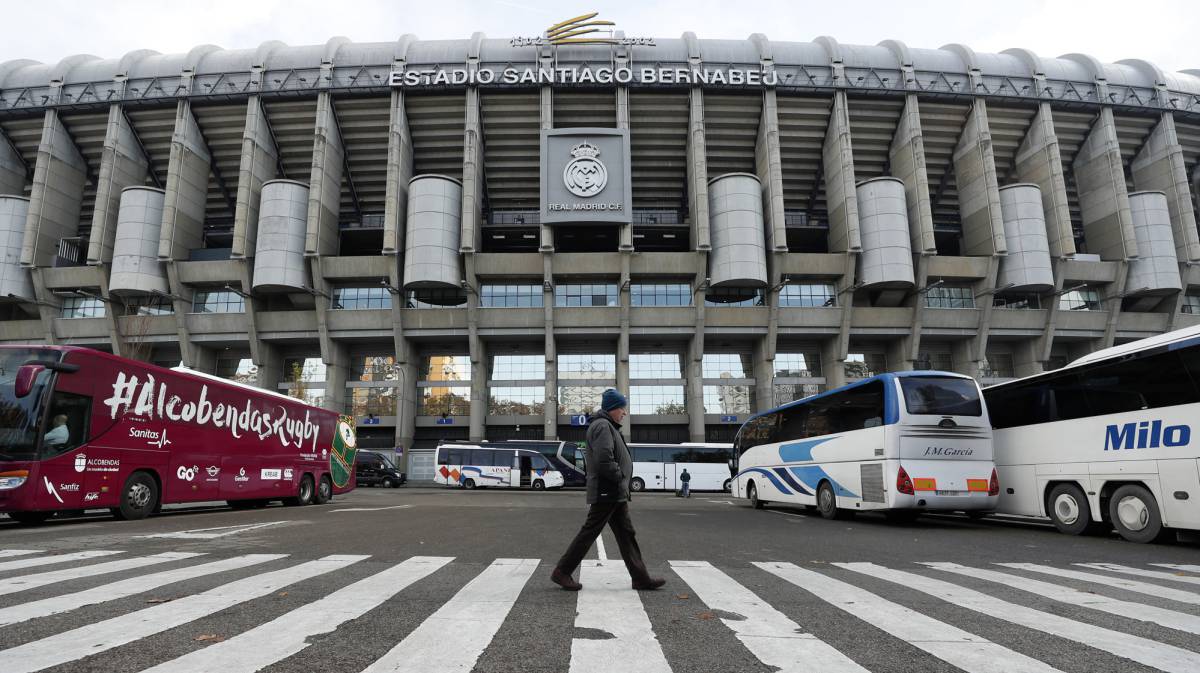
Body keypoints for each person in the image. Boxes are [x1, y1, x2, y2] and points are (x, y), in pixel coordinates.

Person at [551, 389, 666, 592]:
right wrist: (620, 476)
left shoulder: (607, 426)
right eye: (622, 408)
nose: (624, 412)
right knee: (590, 532)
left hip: (614, 491)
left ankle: (640, 578)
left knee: (626, 534)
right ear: (613, 408)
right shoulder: (603, 426)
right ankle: (562, 571)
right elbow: (604, 458)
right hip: (608, 489)